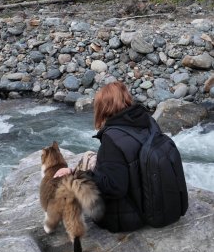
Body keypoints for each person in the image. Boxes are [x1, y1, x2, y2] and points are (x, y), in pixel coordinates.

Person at [54, 81, 158, 233]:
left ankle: (67, 218)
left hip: (125, 218)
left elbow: (114, 187)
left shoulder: (113, 138)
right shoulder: (148, 122)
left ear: (103, 107)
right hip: (152, 205)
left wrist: (75, 175)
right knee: (89, 156)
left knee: (74, 176)